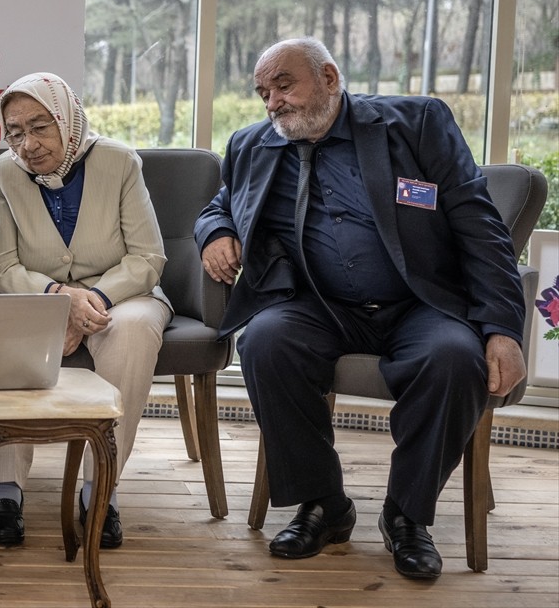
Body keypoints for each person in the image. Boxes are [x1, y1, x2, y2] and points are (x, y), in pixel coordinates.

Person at [196, 37, 527, 580]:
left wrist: (502, 329)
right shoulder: (253, 144)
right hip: (319, 304)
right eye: (262, 92)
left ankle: (406, 517)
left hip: (421, 303)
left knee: (451, 358)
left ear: (329, 77)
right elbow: (219, 203)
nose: (272, 102)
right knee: (265, 341)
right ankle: (324, 504)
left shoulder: (417, 124)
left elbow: (479, 226)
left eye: (284, 85)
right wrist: (215, 230)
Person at [0, 73, 172, 549]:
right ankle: (3, 492)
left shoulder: (119, 162)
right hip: (35, 296)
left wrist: (96, 300)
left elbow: (148, 257)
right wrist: (56, 297)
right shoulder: (0, 174)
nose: (28, 144)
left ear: (67, 117)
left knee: (131, 332)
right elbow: (0, 266)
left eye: (41, 126)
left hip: (121, 296)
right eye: (15, 132)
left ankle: (99, 490)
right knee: (2, 329)